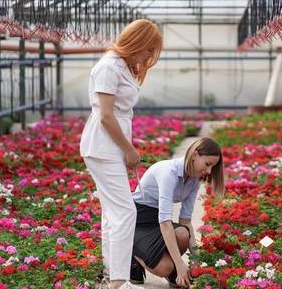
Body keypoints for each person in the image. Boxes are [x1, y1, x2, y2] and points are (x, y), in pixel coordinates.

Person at [80, 19, 163, 289]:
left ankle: (111, 275)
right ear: (136, 41)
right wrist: (129, 150)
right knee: (126, 212)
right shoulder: (109, 67)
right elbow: (105, 116)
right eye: (148, 49)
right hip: (103, 145)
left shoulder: (120, 66)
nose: (149, 56)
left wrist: (125, 149)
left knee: (112, 213)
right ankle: (118, 280)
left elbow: (116, 115)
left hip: (109, 146)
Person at [129, 137, 225, 288]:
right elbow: (166, 223)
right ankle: (132, 256)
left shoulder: (194, 179)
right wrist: (180, 264)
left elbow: (185, 221)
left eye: (212, 167)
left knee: (183, 233)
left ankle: (171, 266)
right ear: (194, 155)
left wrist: (199, 262)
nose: (209, 171)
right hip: (137, 222)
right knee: (165, 268)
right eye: (207, 164)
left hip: (157, 221)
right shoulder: (168, 173)